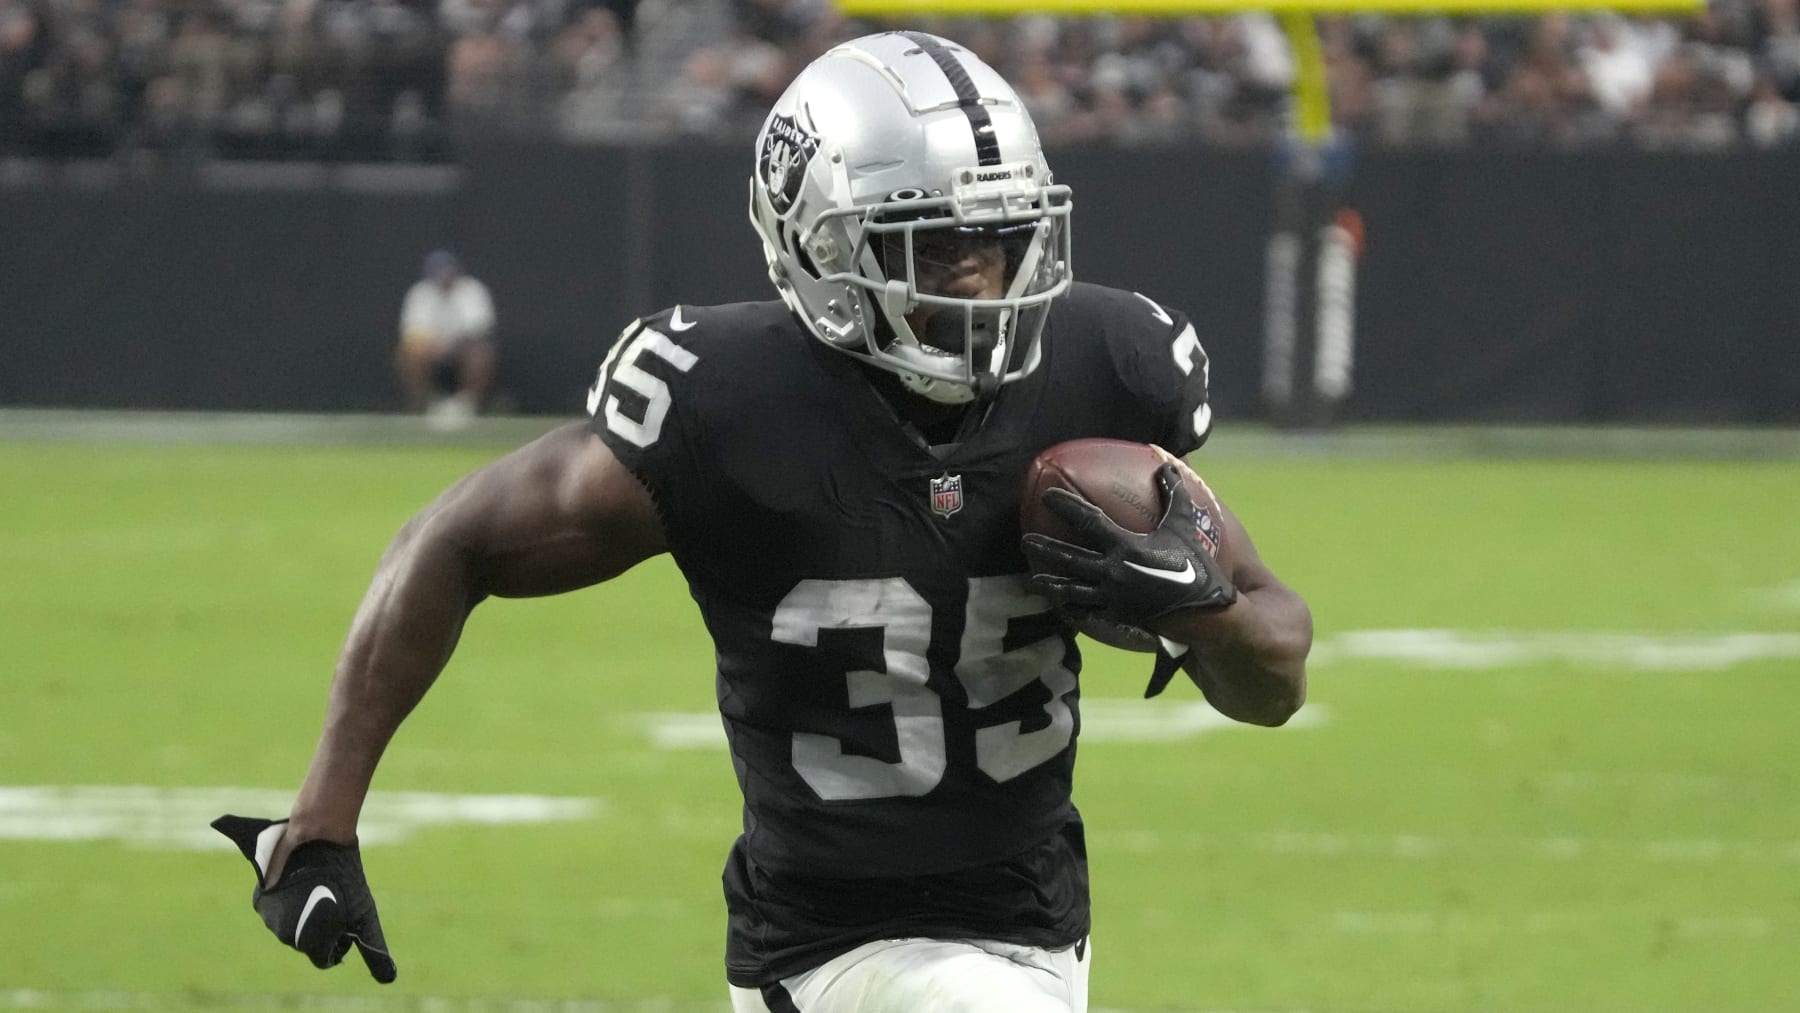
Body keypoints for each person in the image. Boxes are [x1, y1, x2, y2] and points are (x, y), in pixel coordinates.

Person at [213, 31, 1312, 1013]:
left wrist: (1204, 609)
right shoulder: (725, 404)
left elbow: (1278, 672)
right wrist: (322, 816)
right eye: (933, 247)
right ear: (822, 247)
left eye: (1000, 237)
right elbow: (451, 540)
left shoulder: (1107, 369)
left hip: (1040, 921)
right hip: (829, 948)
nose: (981, 278)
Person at [395, 249, 496, 428]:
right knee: (408, 355)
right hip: (431, 350)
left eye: (447, 271)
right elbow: (413, 333)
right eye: (439, 272)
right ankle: (420, 408)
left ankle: (469, 408)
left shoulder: (472, 290)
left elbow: (478, 329)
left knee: (481, 354)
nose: (444, 277)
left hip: (463, 350)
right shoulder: (420, 293)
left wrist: (451, 345)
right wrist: (434, 345)